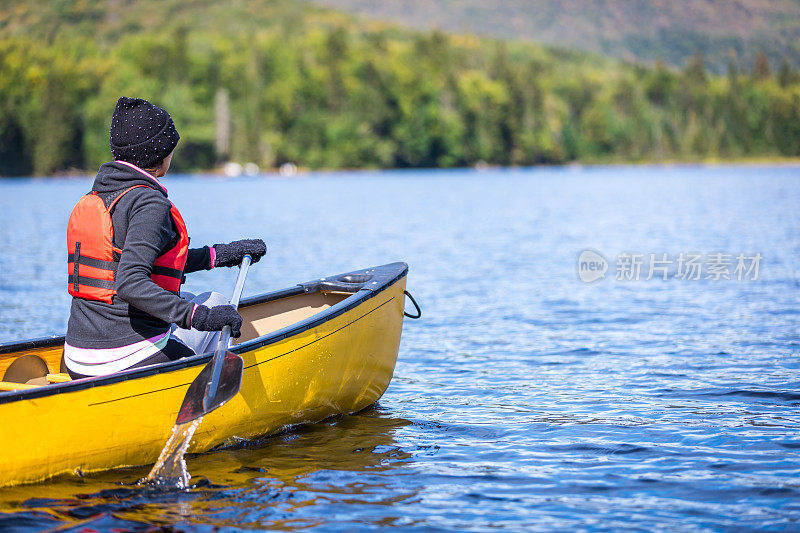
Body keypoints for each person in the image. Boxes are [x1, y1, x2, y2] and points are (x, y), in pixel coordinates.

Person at [64, 96, 266, 379]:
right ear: (160, 155)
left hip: (76, 360)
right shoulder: (149, 204)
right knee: (216, 302)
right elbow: (130, 283)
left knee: (192, 297)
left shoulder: (102, 196)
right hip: (123, 360)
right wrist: (202, 317)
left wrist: (218, 255)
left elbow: (144, 262)